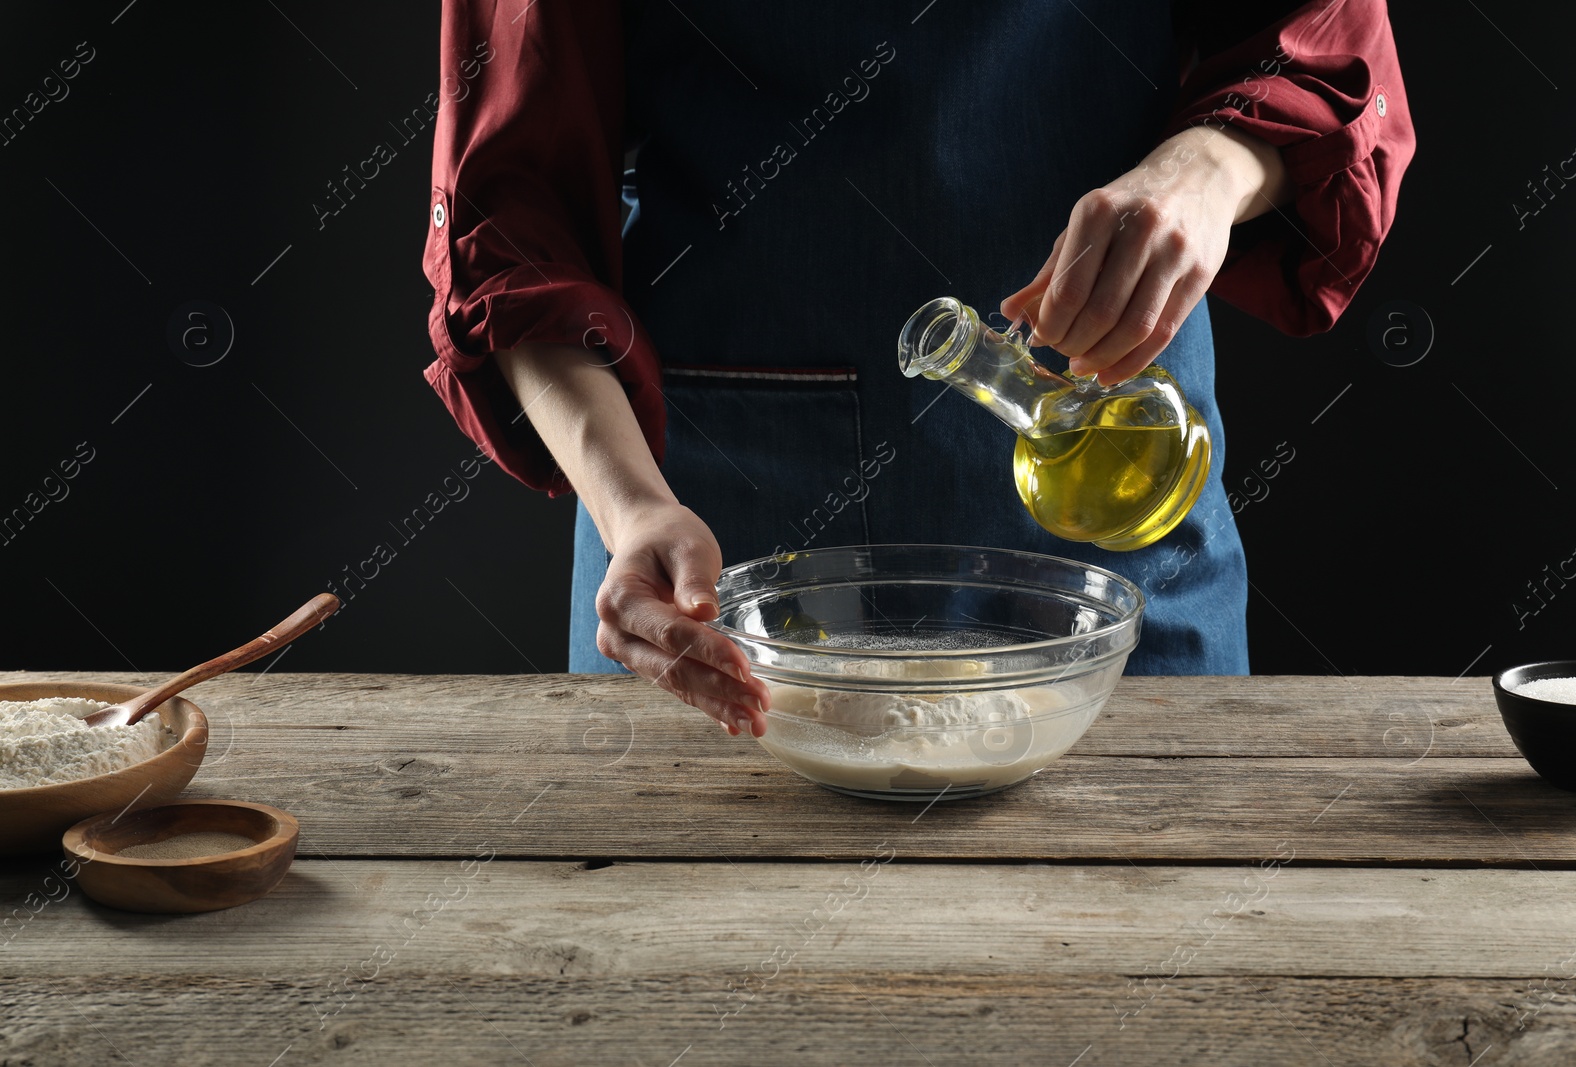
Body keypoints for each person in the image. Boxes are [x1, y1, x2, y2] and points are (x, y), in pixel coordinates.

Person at [421, 2, 1413, 737]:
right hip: (711, 580)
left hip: (1119, 547)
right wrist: (631, 507)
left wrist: (1208, 168)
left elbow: (1326, 51)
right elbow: (510, 227)